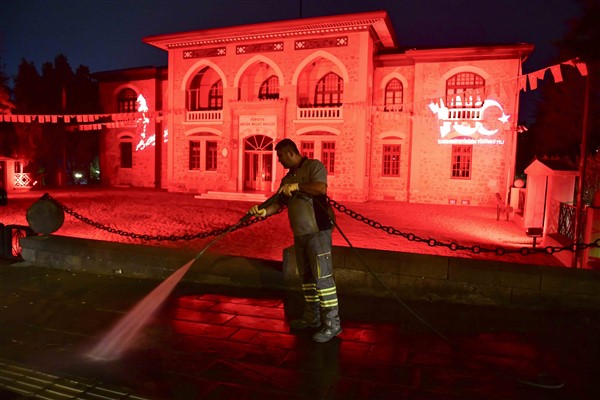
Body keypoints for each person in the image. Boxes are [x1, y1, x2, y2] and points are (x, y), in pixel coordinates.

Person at [248, 138, 341, 343]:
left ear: (290, 153)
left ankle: (333, 324)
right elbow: (279, 202)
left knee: (323, 280)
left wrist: (298, 186)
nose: (279, 161)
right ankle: (312, 317)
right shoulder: (286, 179)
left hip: (318, 233)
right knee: (307, 279)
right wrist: (264, 211)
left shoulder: (313, 166)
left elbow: (320, 188)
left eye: (280, 156)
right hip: (300, 235)